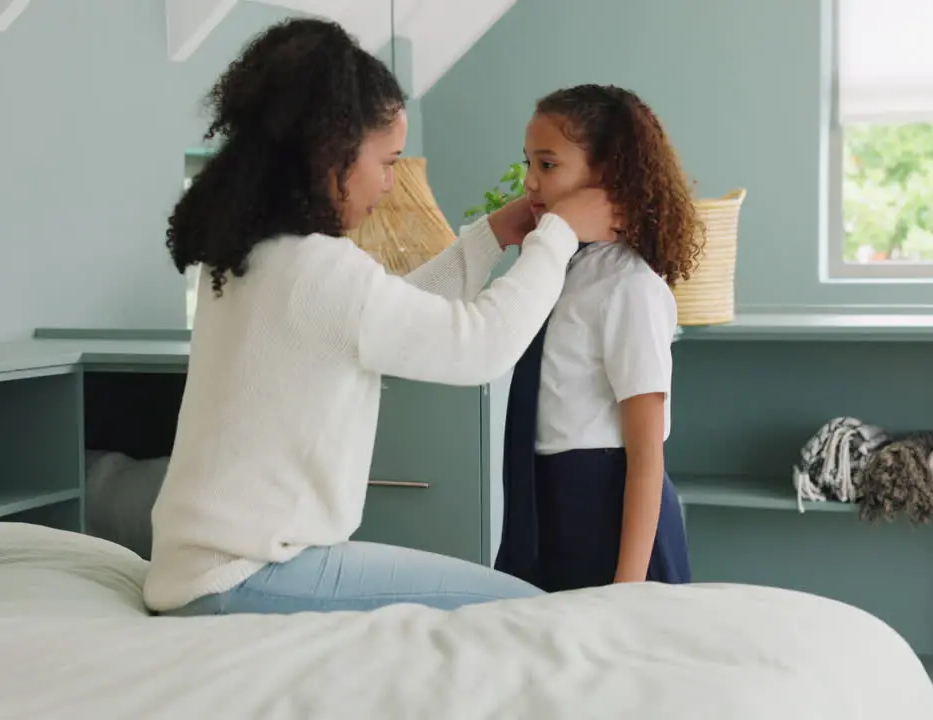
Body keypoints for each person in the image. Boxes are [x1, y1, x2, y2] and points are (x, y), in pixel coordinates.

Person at [143, 18, 620, 616]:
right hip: (247, 577)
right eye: (389, 161)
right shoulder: (317, 268)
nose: (393, 185)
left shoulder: (254, 257)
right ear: (334, 152)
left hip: (201, 571)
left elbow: (384, 312)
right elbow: (482, 347)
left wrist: (492, 237)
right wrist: (558, 236)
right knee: (522, 610)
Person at [494, 84, 705, 593]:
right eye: (529, 163)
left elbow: (646, 455)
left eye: (548, 165)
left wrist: (627, 587)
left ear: (606, 172)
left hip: (609, 518)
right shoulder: (554, 269)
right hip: (545, 504)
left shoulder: (629, 286)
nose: (529, 182)